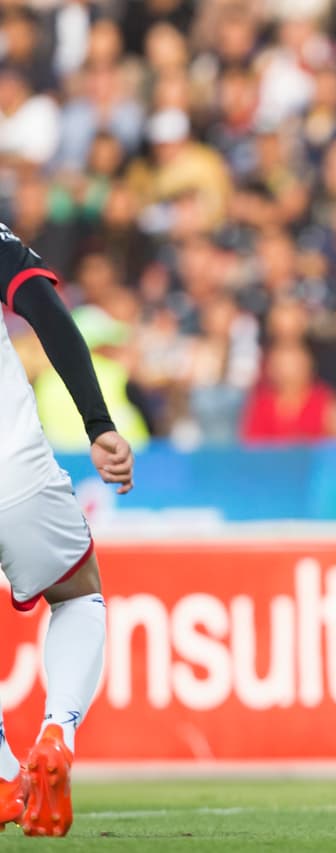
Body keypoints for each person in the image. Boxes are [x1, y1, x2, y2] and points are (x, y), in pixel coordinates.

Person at [0, 222, 134, 837]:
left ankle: (4, 777)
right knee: (79, 594)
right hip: (15, 471)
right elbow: (45, 309)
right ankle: (58, 730)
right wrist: (98, 423)